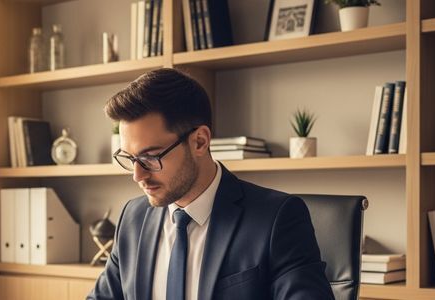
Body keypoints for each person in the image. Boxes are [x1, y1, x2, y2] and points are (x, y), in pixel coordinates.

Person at [87, 68, 333, 300]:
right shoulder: (133, 218)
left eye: (150, 157)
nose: (137, 175)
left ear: (200, 141)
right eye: (129, 159)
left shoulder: (277, 218)